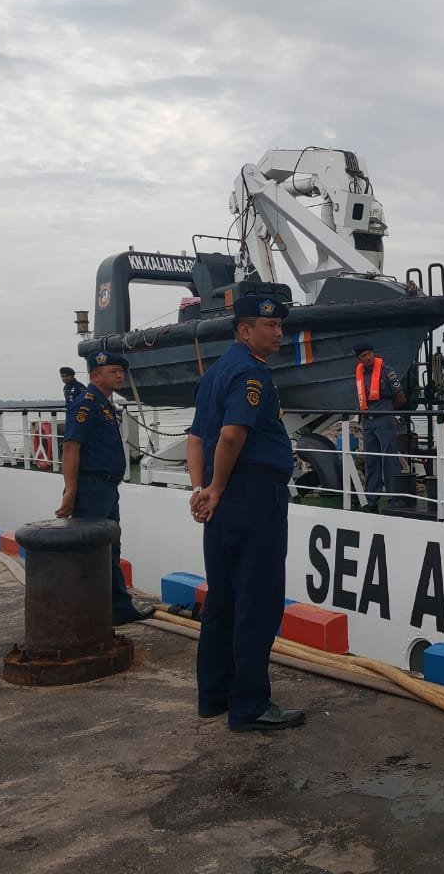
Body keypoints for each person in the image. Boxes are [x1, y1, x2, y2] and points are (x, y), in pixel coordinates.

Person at [186, 294, 304, 732]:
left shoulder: (214, 373)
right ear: (244, 330)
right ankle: (250, 705)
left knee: (223, 598)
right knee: (257, 599)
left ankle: (213, 696)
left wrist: (201, 489)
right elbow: (232, 436)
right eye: (269, 326)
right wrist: (216, 489)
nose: (279, 333)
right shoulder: (251, 373)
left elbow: (196, 438)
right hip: (252, 495)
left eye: (279, 326)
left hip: (224, 500)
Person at [55, 351, 154, 625]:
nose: (120, 376)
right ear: (95, 375)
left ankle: (116, 608)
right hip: (93, 487)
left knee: (110, 547)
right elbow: (71, 446)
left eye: (121, 371)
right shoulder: (86, 404)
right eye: (113, 371)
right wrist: (70, 490)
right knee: (94, 549)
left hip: (107, 487)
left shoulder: (104, 405)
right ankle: (89, 611)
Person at [353, 342, 406, 510]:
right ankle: (372, 499)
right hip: (368, 421)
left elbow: (400, 398)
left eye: (370, 353)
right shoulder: (360, 374)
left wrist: (387, 412)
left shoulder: (387, 371)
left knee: (389, 459)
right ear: (359, 359)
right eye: (364, 355)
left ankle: (394, 499)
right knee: (371, 460)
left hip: (384, 419)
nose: (368, 357)